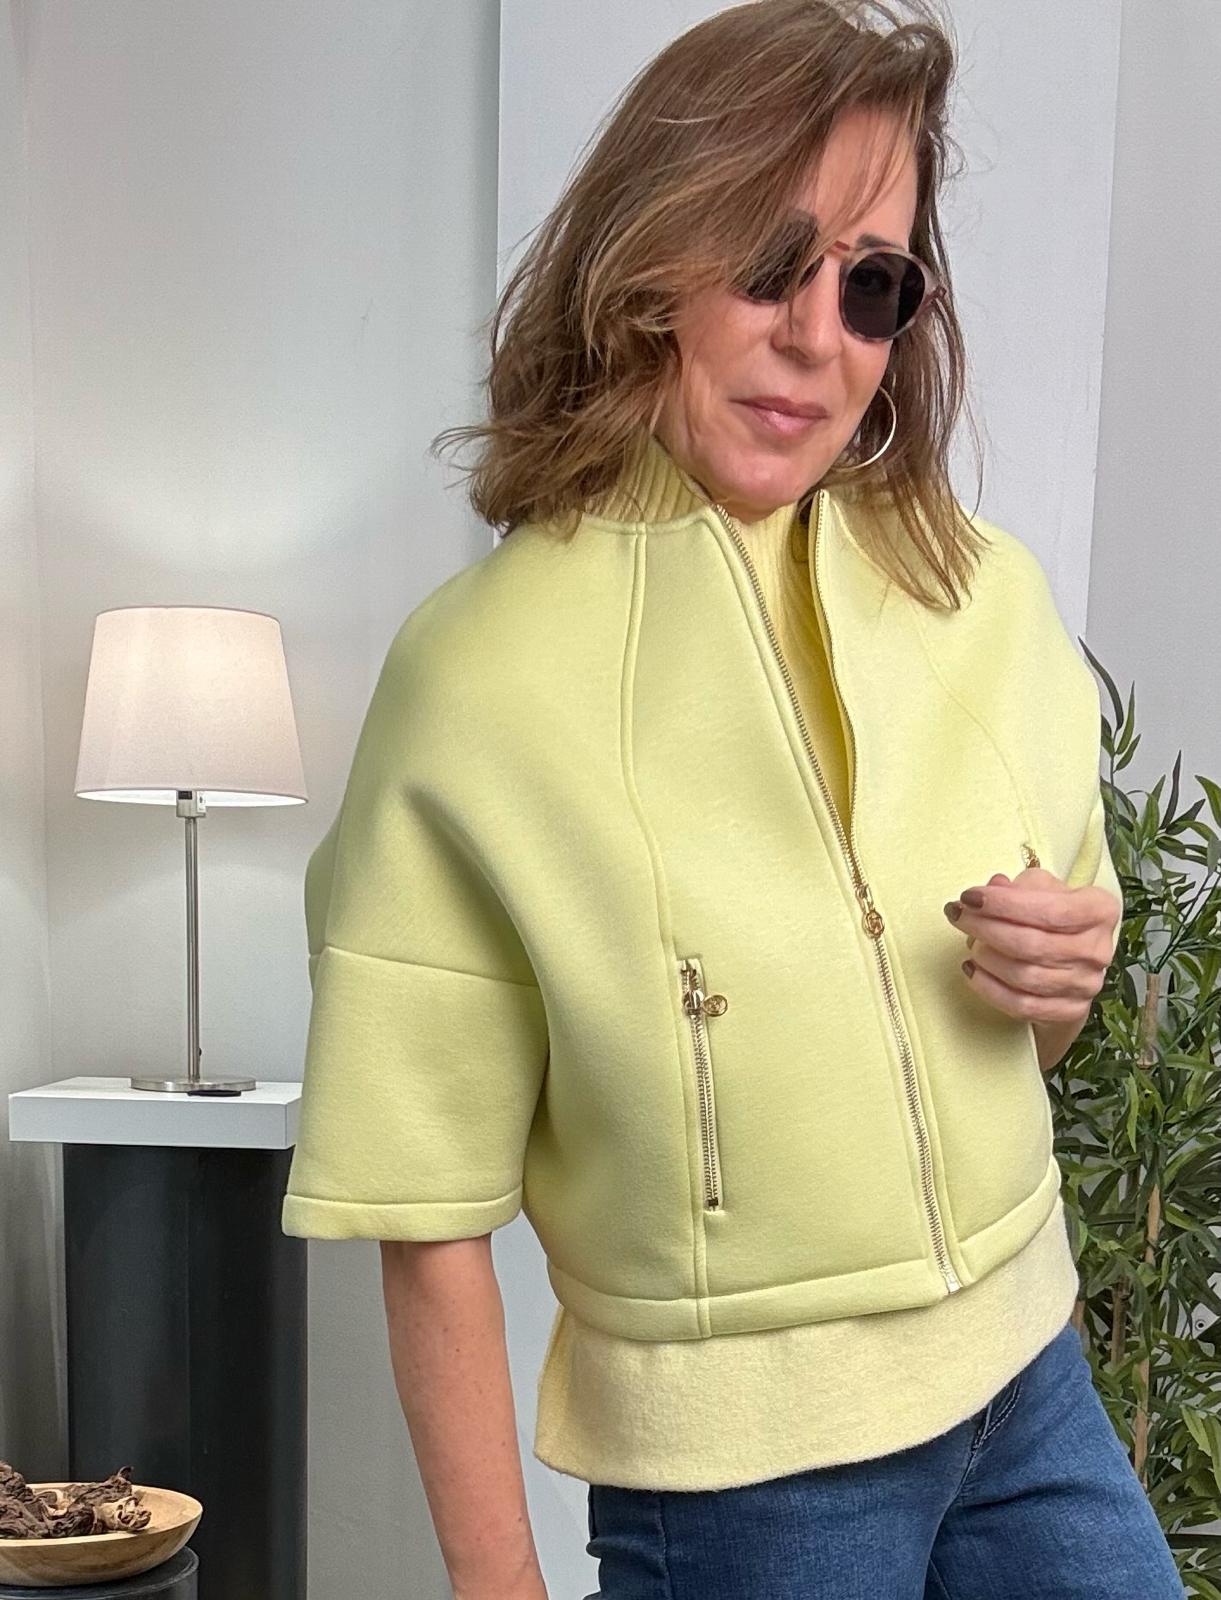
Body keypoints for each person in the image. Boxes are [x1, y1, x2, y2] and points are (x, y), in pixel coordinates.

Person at [281, 1, 1186, 1596]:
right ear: (645, 270)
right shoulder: (479, 680)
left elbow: (1007, 1045)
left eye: (870, 284)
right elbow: (425, 1217)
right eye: (768, 263)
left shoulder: (977, 590)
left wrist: (1058, 978)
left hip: (1027, 1383)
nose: (817, 335)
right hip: (747, 1482)